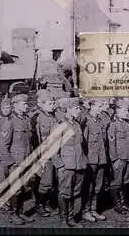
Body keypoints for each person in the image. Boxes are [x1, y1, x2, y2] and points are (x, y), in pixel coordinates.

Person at [0, 93, 35, 225]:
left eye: (26, 103)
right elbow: (2, 145)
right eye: (24, 104)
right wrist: (11, 163)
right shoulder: (10, 121)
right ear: (15, 105)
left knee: (24, 188)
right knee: (16, 189)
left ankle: (20, 212)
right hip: (15, 161)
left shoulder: (26, 120)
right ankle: (13, 214)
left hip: (26, 159)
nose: (26, 106)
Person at [52, 97, 88, 227]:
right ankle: (64, 220)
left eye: (79, 108)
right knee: (65, 192)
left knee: (76, 192)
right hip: (66, 165)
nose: (79, 110)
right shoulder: (60, 125)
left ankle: (72, 218)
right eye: (76, 108)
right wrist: (59, 165)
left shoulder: (77, 124)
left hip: (79, 163)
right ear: (68, 109)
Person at [32, 89, 59, 217]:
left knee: (52, 180)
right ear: (40, 104)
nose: (52, 105)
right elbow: (35, 139)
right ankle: (39, 205)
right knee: (44, 180)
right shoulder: (38, 118)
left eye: (53, 103)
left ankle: (46, 203)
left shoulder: (52, 116)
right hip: (44, 154)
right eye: (49, 103)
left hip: (54, 152)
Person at [81, 99, 108, 222]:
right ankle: (85, 211)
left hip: (101, 158)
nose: (101, 107)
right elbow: (83, 143)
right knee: (89, 187)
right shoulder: (86, 121)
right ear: (92, 106)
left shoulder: (100, 120)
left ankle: (93, 209)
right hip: (91, 159)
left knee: (98, 186)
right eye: (99, 105)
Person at [107, 98, 129, 214]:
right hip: (119, 158)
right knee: (117, 182)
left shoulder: (127, 124)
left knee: (126, 181)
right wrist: (115, 159)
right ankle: (117, 204)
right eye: (124, 111)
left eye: (127, 111)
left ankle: (123, 203)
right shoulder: (113, 125)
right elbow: (111, 143)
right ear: (117, 112)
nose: (126, 113)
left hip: (128, 157)